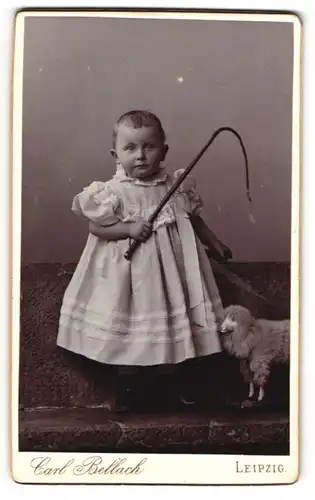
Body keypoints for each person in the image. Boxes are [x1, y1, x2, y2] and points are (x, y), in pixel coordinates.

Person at [57, 110, 232, 410]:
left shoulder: (175, 185)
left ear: (164, 150)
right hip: (131, 278)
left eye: (149, 147)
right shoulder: (112, 192)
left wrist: (214, 242)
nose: (140, 156)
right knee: (131, 330)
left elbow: (194, 220)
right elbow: (96, 226)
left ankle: (170, 385)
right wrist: (127, 228)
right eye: (130, 148)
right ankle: (130, 388)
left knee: (172, 328)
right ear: (116, 154)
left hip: (171, 277)